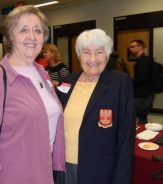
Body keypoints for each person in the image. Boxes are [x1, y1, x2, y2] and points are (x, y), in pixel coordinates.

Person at [0, 5, 65, 184]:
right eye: (23, 30)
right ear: (11, 37)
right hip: (14, 176)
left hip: (44, 173)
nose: (32, 36)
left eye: (37, 30)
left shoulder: (41, 73)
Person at [56, 29, 135, 184]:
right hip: (63, 167)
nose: (93, 58)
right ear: (78, 55)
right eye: (86, 52)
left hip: (99, 170)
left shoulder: (120, 83)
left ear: (107, 54)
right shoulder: (66, 82)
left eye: (99, 52)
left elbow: (126, 138)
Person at [129, 39, 155, 124]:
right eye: (130, 47)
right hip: (147, 94)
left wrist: (129, 81)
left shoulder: (142, 61)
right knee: (142, 117)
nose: (130, 49)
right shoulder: (146, 59)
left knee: (138, 118)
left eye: (133, 47)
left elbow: (141, 78)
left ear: (140, 47)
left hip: (142, 96)